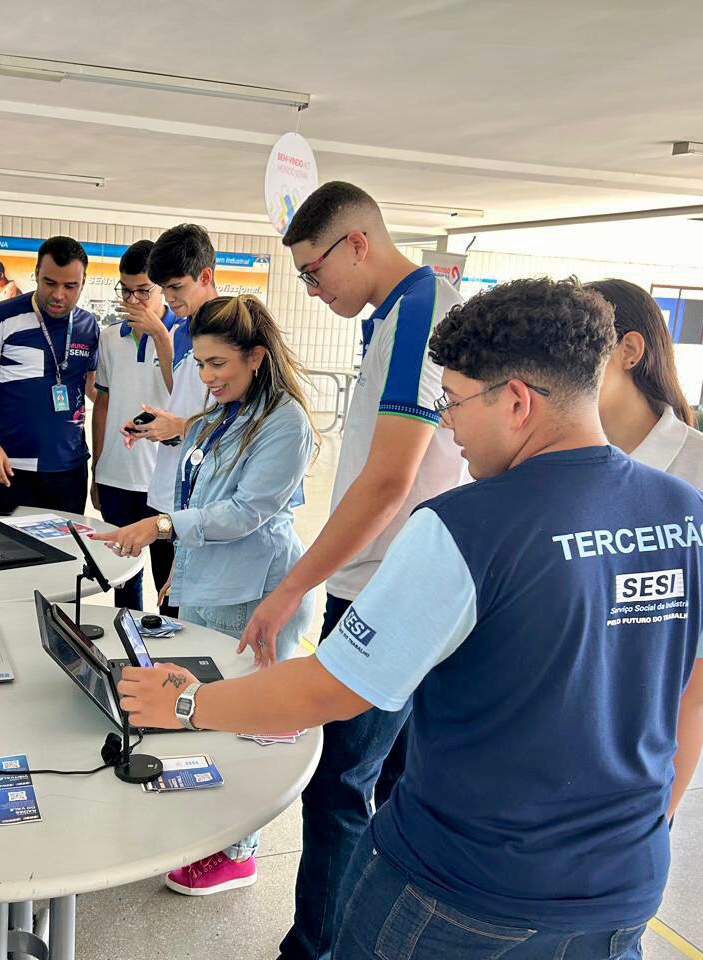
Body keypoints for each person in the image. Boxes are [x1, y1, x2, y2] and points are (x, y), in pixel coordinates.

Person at [118, 277, 703, 960]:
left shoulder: (467, 527)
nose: (446, 423)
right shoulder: (694, 516)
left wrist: (188, 703)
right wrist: (635, 840)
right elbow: (694, 701)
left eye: (454, 401)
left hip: (463, 892)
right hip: (625, 889)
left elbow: (331, 687)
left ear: (519, 401)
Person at [235, 182, 467, 960]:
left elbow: (389, 480)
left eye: (312, 271)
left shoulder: (422, 311)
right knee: (392, 786)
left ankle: (317, 950)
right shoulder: (394, 317)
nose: (311, 287)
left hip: (390, 593)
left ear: (357, 243)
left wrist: (292, 586)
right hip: (390, 581)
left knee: (340, 787)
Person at [95, 294, 319, 896]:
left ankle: (237, 853)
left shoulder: (285, 423)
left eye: (218, 364)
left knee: (241, 716)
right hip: (211, 579)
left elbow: (246, 511)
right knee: (205, 705)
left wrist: (164, 528)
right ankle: (209, 830)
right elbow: (204, 496)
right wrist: (181, 569)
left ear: (257, 357)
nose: (207, 377)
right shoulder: (228, 413)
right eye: (200, 364)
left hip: (254, 588)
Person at [590, 278, 703, 816]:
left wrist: (656, 674)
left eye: (583, 349)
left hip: (649, 728)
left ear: (630, 350)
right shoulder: (550, 458)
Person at [120, 224, 222, 615]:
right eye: (165, 289)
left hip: (206, 500)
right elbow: (183, 398)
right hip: (168, 493)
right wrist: (154, 426)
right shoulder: (182, 330)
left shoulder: (231, 329)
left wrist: (180, 428)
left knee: (194, 619)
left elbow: (246, 423)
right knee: (169, 614)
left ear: (205, 276)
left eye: (177, 287)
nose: (169, 298)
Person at [0, 236, 99, 514]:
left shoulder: (88, 326)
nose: (59, 294)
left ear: (83, 283)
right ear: (36, 273)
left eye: (70, 286)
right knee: (6, 552)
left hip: (69, 469)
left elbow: (94, 388)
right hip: (10, 467)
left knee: (67, 553)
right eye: (50, 283)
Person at [90, 240, 178, 609]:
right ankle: (132, 657)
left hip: (163, 482)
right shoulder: (110, 338)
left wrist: (160, 335)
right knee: (124, 583)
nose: (133, 301)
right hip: (117, 476)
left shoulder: (183, 336)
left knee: (170, 585)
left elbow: (181, 398)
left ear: (162, 288)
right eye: (126, 291)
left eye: (144, 291)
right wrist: (98, 468)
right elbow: (103, 403)